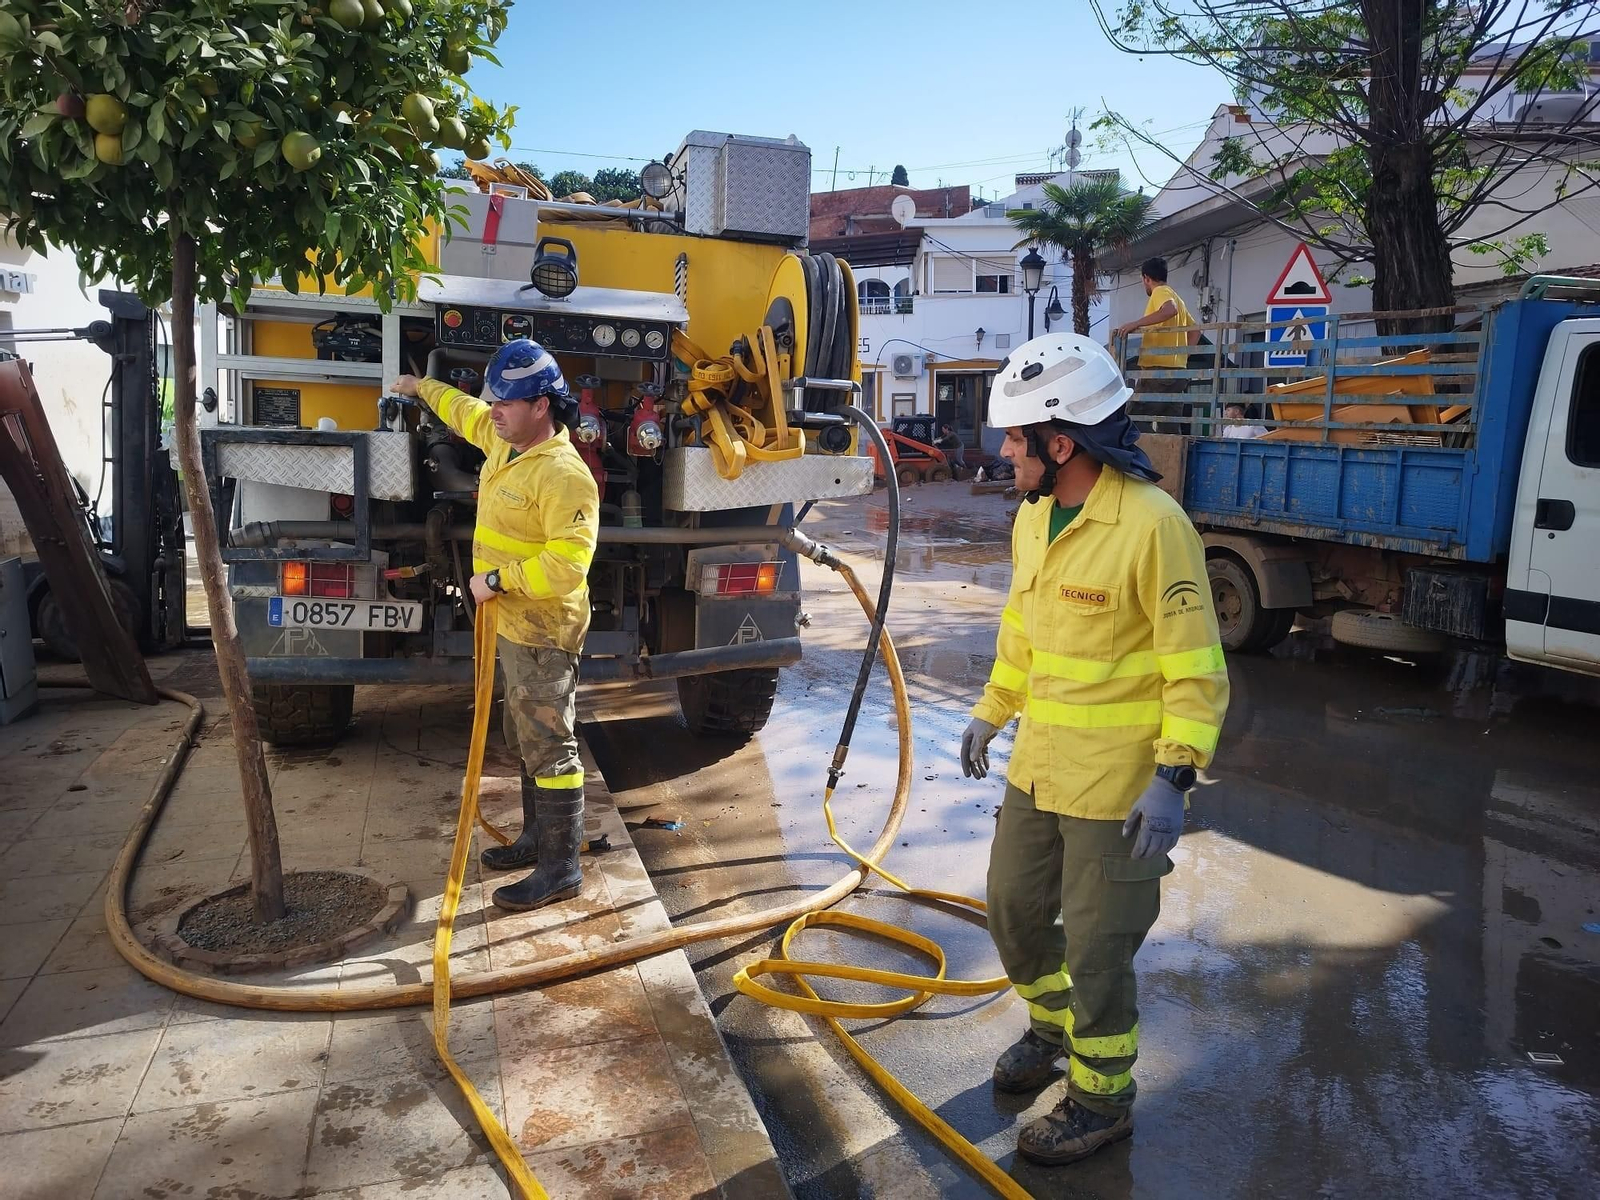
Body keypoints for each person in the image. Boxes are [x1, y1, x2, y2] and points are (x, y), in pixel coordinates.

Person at [960, 332, 1229, 1166]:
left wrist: (1174, 776)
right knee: (1010, 910)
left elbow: (1196, 668)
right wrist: (991, 711)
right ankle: (1051, 1027)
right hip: (1039, 766)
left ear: (1060, 441)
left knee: (1100, 949)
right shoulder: (1036, 519)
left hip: (1118, 788)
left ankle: (1101, 1098)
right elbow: (1022, 633)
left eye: (1016, 438)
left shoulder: (1154, 527)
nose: (1007, 453)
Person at [390, 339, 599, 913]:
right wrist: (418, 388)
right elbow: (462, 409)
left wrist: (497, 582)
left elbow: (567, 564)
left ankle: (562, 868)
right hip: (511, 628)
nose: (496, 410)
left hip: (543, 629)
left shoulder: (563, 475)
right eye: (496, 400)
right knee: (524, 739)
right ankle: (536, 840)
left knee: (550, 746)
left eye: (508, 402)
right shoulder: (505, 444)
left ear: (542, 406)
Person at [1111, 257, 1195, 432]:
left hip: (1158, 371)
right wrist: (1183, 355)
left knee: (1133, 419)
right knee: (1169, 426)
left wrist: (1136, 324)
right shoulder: (1178, 297)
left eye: (1144, 281)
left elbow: (1169, 310)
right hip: (1178, 372)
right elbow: (1195, 331)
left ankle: (1146, 456)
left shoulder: (1160, 292)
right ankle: (1169, 457)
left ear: (1146, 278)